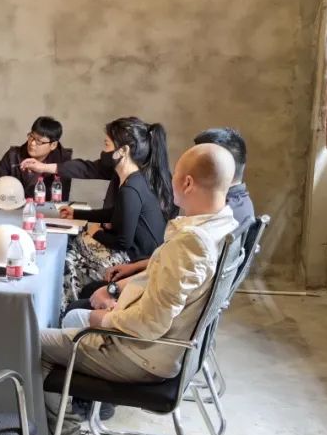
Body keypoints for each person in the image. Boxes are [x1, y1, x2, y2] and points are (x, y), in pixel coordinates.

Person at [40, 143, 240, 435]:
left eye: (175, 175)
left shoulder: (192, 242)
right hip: (168, 345)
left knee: (30, 343)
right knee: (75, 315)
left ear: (187, 182)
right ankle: (72, 418)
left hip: (145, 354)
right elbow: (164, 288)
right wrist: (117, 295)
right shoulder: (222, 225)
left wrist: (105, 317)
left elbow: (150, 323)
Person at [72, 126, 255, 310]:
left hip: (165, 304)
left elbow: (171, 292)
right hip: (162, 282)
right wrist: (136, 269)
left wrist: (114, 293)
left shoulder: (216, 221)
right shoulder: (234, 210)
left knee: (78, 292)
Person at [59, 118, 175, 305]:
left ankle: (68, 309)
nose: (103, 152)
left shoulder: (130, 189)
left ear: (124, 151)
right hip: (140, 255)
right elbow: (115, 213)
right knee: (75, 243)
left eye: (107, 145)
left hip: (135, 261)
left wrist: (96, 232)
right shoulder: (135, 179)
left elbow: (123, 242)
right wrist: (77, 214)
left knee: (68, 258)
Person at [0, 116, 73, 201]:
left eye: (39, 141)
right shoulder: (13, 155)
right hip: (13, 207)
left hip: (47, 209)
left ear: (53, 145)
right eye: (31, 136)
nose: (32, 143)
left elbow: (62, 197)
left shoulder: (62, 162)